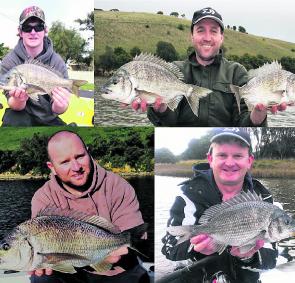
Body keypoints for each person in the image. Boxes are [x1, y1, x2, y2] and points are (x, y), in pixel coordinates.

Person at [133, 7, 287, 126]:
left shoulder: (236, 72)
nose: (207, 38)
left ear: (221, 38)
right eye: (201, 30)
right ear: (192, 36)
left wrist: (259, 114)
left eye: (213, 31)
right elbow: (170, 124)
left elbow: (242, 123)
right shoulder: (175, 70)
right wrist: (160, 109)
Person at [29, 130, 150, 283]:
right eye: (65, 162)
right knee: (41, 278)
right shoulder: (43, 197)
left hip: (119, 269)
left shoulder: (118, 186)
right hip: (69, 272)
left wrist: (115, 250)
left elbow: (134, 235)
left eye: (80, 156)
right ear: (51, 167)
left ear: (89, 153)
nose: (75, 167)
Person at [162, 128, 278, 283]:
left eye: (237, 155)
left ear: (249, 161)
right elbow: (170, 248)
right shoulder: (188, 194)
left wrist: (249, 256)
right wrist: (195, 248)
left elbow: (271, 260)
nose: (229, 163)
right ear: (210, 159)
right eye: (222, 155)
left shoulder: (263, 197)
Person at [0, 6, 72, 126]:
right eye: (27, 27)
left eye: (38, 27)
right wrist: (19, 100)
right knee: (12, 120)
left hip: (48, 117)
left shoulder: (57, 62)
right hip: (20, 115)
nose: (33, 32)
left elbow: (59, 110)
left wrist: (61, 105)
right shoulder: (9, 61)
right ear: (20, 32)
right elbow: (13, 104)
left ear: (45, 30)